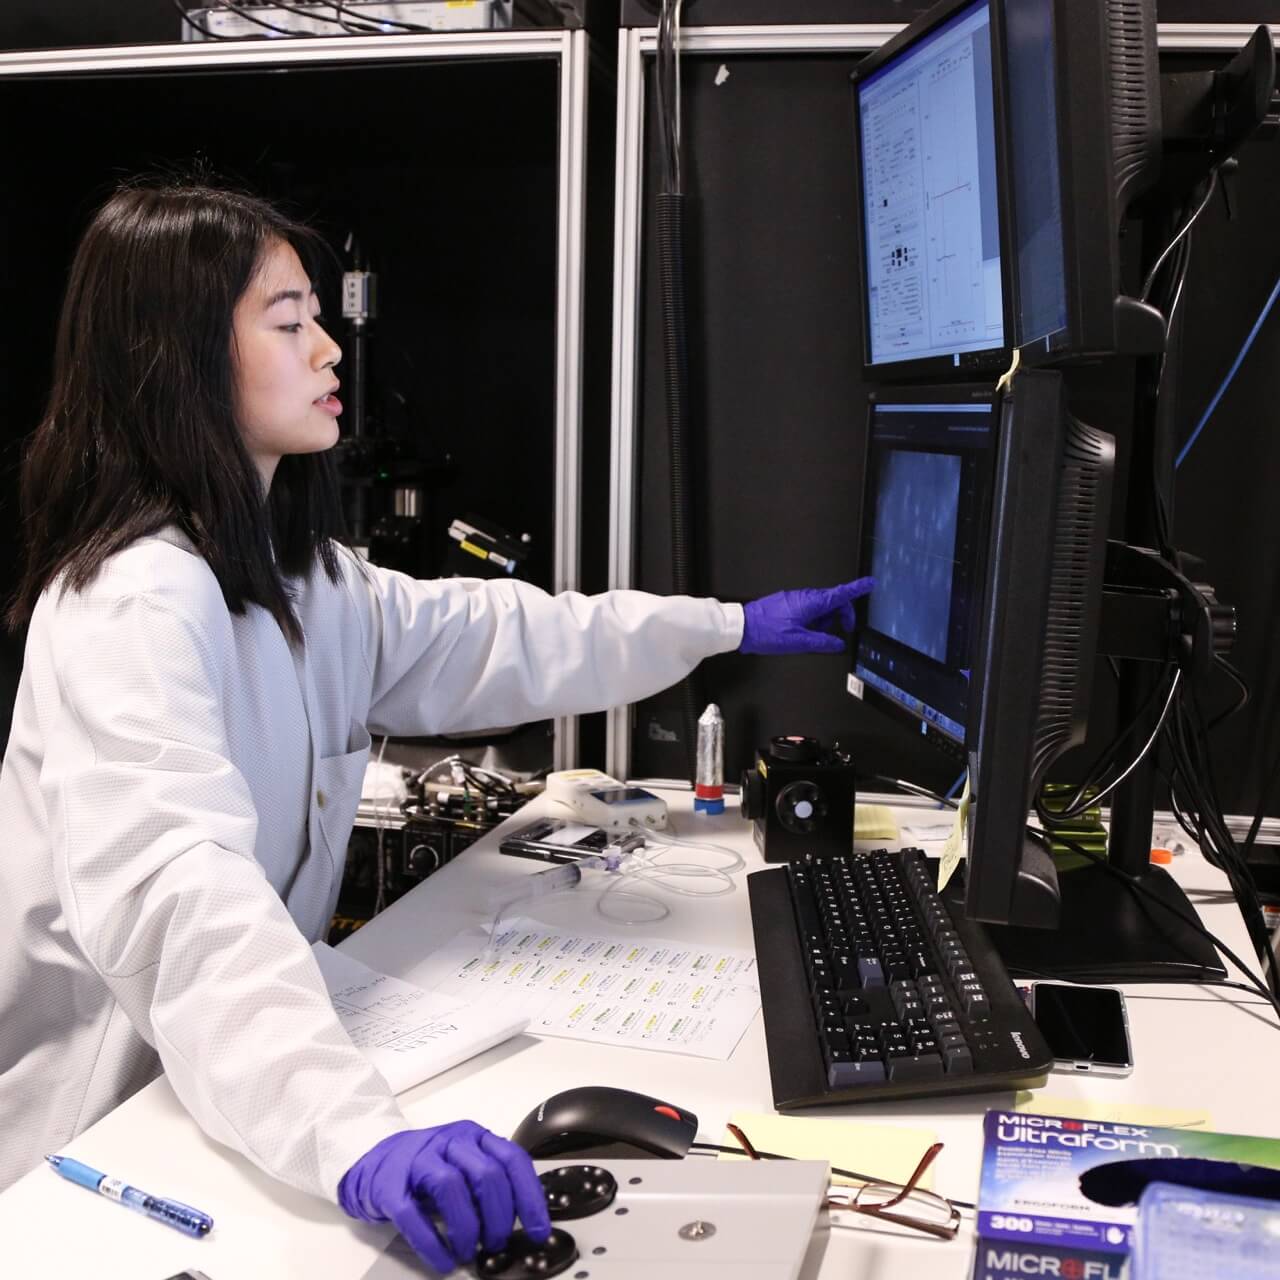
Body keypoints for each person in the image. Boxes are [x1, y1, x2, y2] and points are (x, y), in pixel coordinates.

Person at [0, 180, 872, 1272]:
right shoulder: (129, 605)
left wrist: (726, 622)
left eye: (318, 316)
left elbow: (504, 637)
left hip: (249, 1084)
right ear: (174, 357)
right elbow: (189, 904)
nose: (329, 350)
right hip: (111, 1140)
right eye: (288, 321)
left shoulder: (302, 581)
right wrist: (357, 1134)